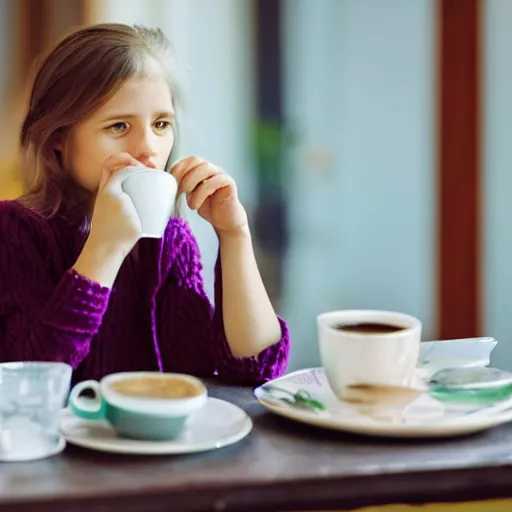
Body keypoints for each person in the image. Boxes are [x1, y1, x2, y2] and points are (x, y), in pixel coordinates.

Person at [0, 23, 290, 385]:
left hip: (152, 442)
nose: (149, 148)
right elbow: (29, 380)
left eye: (161, 124)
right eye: (119, 126)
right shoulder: (15, 230)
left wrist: (235, 235)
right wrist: (104, 251)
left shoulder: (170, 243)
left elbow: (255, 370)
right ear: (58, 138)